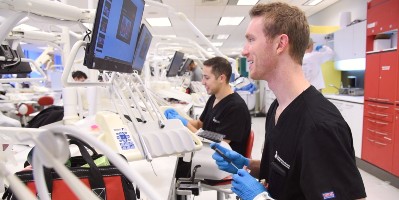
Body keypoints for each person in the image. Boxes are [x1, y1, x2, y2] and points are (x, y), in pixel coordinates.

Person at [211, 2, 366, 200]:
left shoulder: (319, 126)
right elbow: (282, 172)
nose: (244, 51)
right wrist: (247, 164)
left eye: (251, 40)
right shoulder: (278, 108)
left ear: (280, 44)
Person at [165, 56, 251, 155]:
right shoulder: (214, 98)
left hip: (221, 163)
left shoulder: (235, 108)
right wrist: (179, 118)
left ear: (221, 78)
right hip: (206, 153)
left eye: (207, 78)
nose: (202, 82)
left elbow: (219, 145)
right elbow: (199, 125)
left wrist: (185, 124)